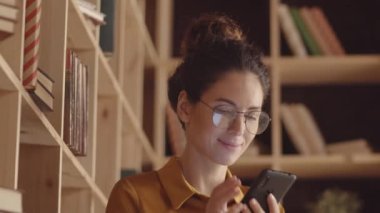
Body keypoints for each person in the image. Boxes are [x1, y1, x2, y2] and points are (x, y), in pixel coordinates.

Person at [106, 14, 283, 213]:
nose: (239, 129)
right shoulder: (134, 197)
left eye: (251, 116)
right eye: (225, 111)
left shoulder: (264, 208)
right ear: (185, 107)